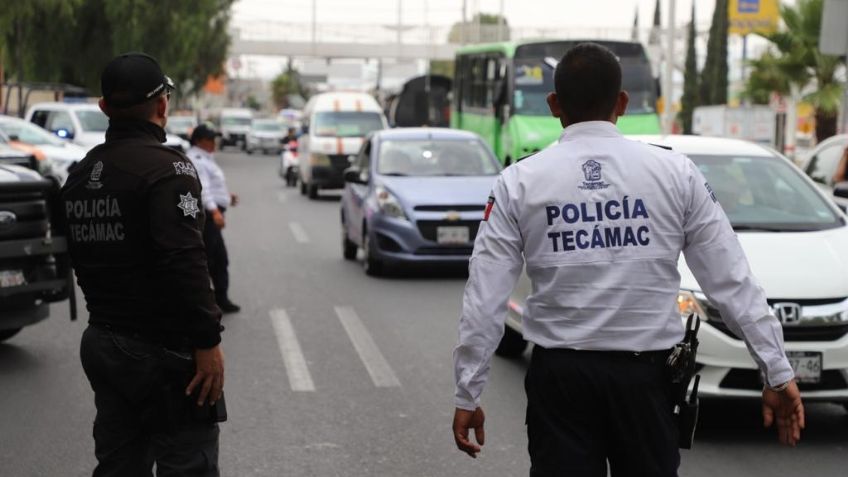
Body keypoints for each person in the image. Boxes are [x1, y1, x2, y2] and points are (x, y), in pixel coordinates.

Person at [451, 43, 804, 476]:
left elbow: (484, 298)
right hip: (646, 383)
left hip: (560, 382)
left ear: (553, 105)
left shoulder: (518, 182)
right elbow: (731, 281)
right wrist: (777, 371)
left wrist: (468, 393)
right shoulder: (676, 174)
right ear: (622, 102)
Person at [61, 52, 225, 476]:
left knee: (118, 465)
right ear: (162, 105)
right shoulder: (169, 170)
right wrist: (207, 344)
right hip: (164, 353)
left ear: (103, 107)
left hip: (103, 342)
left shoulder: (81, 173)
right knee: (188, 462)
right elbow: (186, 261)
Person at [185, 124, 241, 313]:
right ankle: (202, 304)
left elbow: (213, 186)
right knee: (209, 261)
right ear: (201, 141)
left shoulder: (205, 158)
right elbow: (203, 190)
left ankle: (218, 300)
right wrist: (215, 211)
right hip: (207, 217)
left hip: (211, 214)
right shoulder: (198, 159)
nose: (214, 143)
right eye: (211, 139)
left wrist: (226, 196)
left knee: (217, 260)